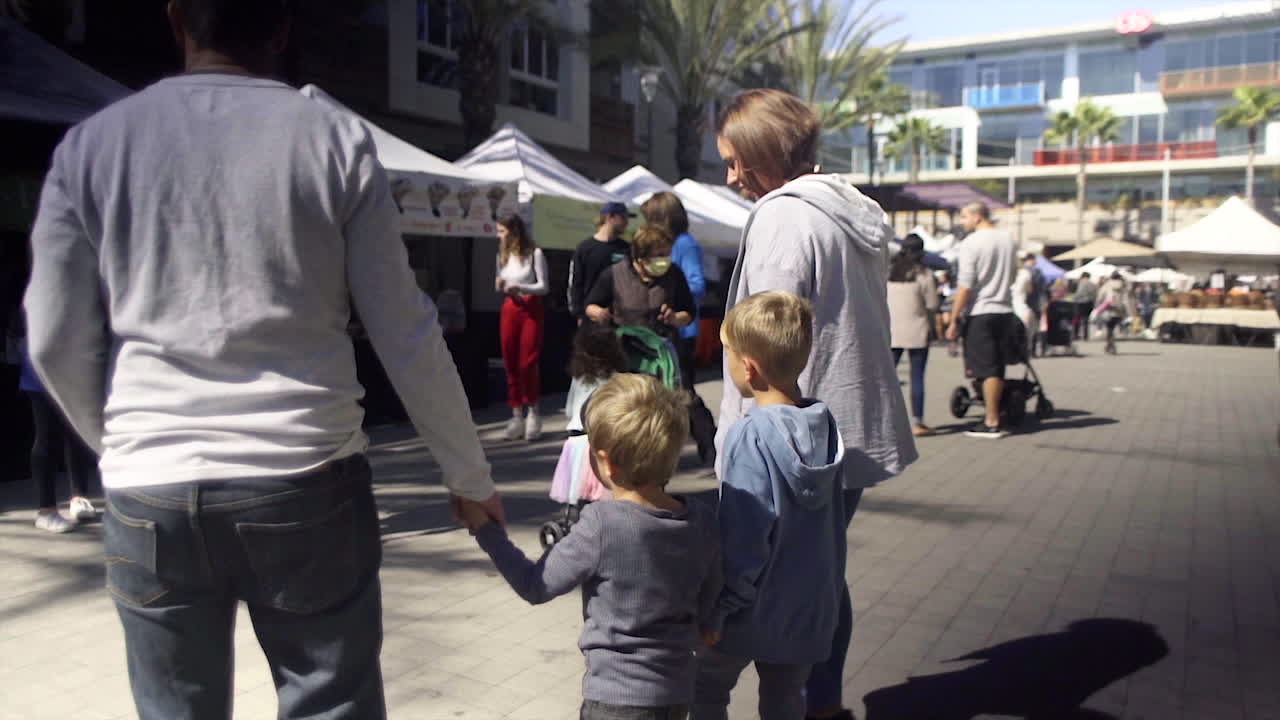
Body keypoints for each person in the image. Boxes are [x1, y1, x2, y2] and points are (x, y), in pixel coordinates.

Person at [22, 2, 503, 717]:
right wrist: (467, 472)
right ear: (282, 27)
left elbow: (53, 334)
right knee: (331, 702)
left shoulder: (94, 145)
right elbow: (405, 328)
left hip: (149, 486)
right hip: (306, 476)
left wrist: (120, 443)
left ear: (176, 18)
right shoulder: (331, 139)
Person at [713, 88, 917, 720]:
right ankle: (820, 703)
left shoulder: (783, 216)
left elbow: (763, 336)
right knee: (821, 575)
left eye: (735, 161)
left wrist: (747, 432)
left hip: (788, 431)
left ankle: (796, 701)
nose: (731, 176)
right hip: (839, 423)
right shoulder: (847, 211)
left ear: (762, 153)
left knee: (781, 581)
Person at [459, 373, 721, 720]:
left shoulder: (601, 524)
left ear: (606, 462)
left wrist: (485, 531)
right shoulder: (700, 519)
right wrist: (710, 623)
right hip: (676, 694)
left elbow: (536, 585)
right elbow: (714, 584)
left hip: (614, 700)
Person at [694, 292, 846, 720]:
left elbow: (746, 536)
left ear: (749, 367)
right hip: (809, 608)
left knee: (705, 689)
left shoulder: (751, 435)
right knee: (784, 700)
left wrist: (720, 609)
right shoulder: (825, 424)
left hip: (751, 609)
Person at [642, 191, 718, 465]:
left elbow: (696, 283)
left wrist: (671, 299)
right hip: (662, 330)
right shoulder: (669, 244)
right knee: (668, 391)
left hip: (681, 331)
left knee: (683, 391)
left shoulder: (685, 245)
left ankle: (709, 442)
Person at [946, 201, 1020, 439]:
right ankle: (995, 411)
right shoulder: (1008, 239)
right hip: (1005, 310)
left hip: (982, 311)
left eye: (963, 216)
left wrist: (954, 318)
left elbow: (965, 285)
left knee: (985, 368)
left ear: (977, 217)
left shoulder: (971, 243)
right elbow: (1013, 275)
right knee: (997, 365)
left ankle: (991, 420)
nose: (961, 221)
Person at [20, 345, 97, 533]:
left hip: (72, 366)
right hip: (43, 367)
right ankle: (46, 511)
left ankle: (79, 497)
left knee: (75, 433)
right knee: (46, 436)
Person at [584, 224, 695, 339]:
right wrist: (599, 313)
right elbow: (590, 306)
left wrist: (675, 319)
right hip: (624, 347)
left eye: (668, 254)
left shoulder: (675, 274)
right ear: (641, 257)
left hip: (662, 347)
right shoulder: (613, 274)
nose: (665, 260)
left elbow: (689, 312)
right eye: (660, 255)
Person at [495, 213, 549, 441]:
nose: (499, 236)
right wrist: (502, 286)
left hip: (530, 307)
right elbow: (498, 283)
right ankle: (516, 413)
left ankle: (533, 411)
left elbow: (544, 286)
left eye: (502, 231)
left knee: (528, 361)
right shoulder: (502, 254)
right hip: (510, 307)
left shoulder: (534, 253)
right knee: (509, 360)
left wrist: (521, 286)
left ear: (514, 231)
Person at [887, 236, 939, 437]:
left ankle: (886, 422)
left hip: (891, 332)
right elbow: (932, 305)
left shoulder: (890, 273)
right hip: (918, 330)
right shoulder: (924, 274)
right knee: (917, 377)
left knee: (888, 379)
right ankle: (918, 423)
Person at [568, 202, 633, 321]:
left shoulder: (627, 249)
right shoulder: (584, 248)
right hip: (591, 317)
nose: (627, 223)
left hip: (620, 318)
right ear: (610, 217)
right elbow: (575, 283)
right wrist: (579, 314)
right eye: (623, 218)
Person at [564, 322, 628, 434]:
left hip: (575, 433)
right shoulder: (617, 379)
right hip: (599, 435)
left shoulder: (579, 377)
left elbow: (569, 411)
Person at [1096, 272, 1136, 355]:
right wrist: (1129, 313)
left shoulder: (1106, 285)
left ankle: (1110, 345)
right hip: (1119, 311)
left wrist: (1098, 306)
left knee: (1109, 329)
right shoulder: (1123, 287)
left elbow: (1100, 297)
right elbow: (1126, 300)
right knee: (1113, 328)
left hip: (1108, 310)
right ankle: (1110, 345)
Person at [1012, 251, 1040, 357]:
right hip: (1022, 304)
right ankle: (1027, 350)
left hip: (1009, 304)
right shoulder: (1027, 273)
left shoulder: (1008, 272)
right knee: (1029, 329)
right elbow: (1031, 290)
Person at [1073, 272, 1098, 341]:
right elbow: (1095, 294)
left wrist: (1074, 299)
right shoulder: (1092, 284)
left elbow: (1079, 293)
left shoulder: (1081, 283)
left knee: (1077, 318)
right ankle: (1085, 335)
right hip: (1089, 303)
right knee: (1086, 320)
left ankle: (1075, 335)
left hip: (1080, 303)